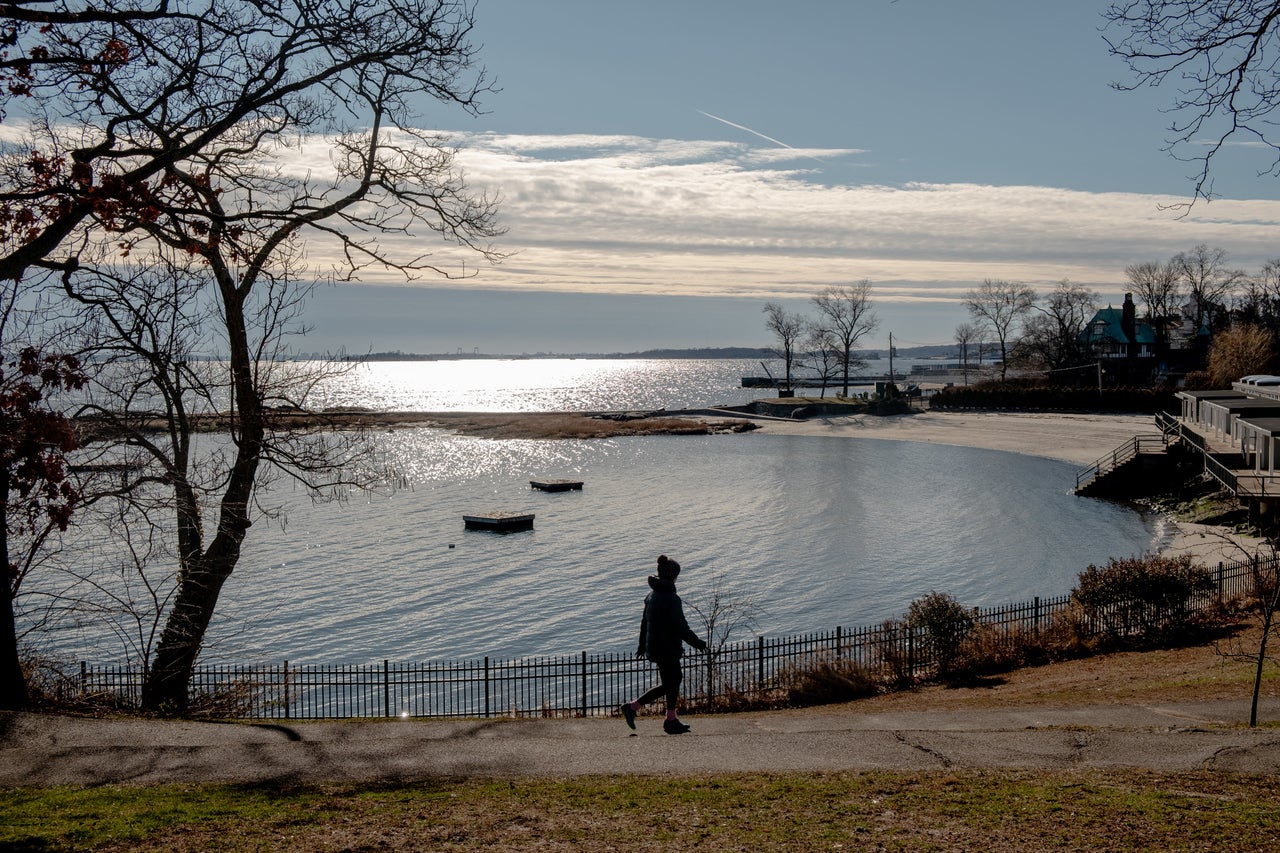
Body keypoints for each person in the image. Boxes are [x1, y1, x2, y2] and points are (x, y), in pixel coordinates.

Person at [619, 554, 708, 735]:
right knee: (672, 682)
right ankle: (637, 708)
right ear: (672, 576)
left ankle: (668, 718)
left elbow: (644, 623)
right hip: (667, 648)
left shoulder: (651, 595)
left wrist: (642, 645)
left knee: (672, 681)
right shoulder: (672, 599)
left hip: (656, 647)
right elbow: (681, 627)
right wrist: (698, 643)